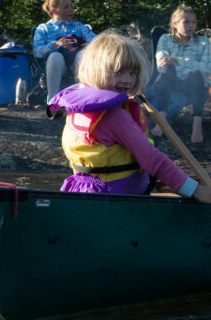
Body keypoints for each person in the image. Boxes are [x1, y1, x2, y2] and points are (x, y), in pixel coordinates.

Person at [48, 31, 211, 203]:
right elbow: (153, 160)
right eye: (118, 72)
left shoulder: (78, 106)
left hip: (82, 191)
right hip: (116, 198)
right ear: (96, 70)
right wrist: (196, 190)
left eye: (133, 73)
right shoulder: (115, 116)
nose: (127, 80)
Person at [151, 5, 211, 144]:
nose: (191, 26)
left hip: (192, 85)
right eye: (186, 22)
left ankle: (197, 125)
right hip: (170, 82)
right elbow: (161, 64)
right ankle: (162, 119)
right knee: (167, 68)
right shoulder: (165, 39)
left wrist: (180, 62)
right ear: (175, 24)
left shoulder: (204, 42)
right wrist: (171, 63)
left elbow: (208, 67)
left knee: (196, 74)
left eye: (193, 22)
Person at [33, 0, 96, 102]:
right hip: (55, 66)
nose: (71, 10)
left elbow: (97, 41)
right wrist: (55, 45)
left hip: (76, 63)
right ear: (54, 11)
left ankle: (81, 99)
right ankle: (53, 102)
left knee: (83, 54)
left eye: (71, 6)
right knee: (55, 56)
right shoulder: (44, 28)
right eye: (66, 7)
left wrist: (89, 46)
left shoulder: (78, 26)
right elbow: (37, 52)